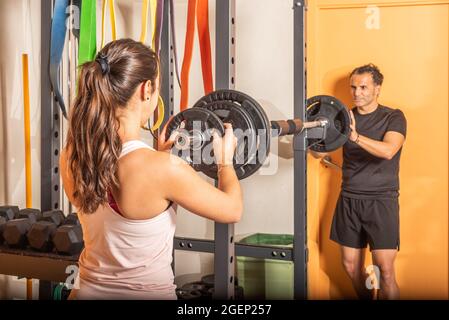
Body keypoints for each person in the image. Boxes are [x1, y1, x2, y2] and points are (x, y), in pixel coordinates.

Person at [59, 38, 242, 300]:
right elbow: (232, 209)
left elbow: (120, 186)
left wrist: (158, 157)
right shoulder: (162, 169)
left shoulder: (72, 155)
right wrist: (225, 161)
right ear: (147, 89)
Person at [317, 64, 406, 299]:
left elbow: (389, 150)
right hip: (349, 198)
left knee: (385, 271)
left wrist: (353, 136)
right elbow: (318, 152)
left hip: (381, 201)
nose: (357, 93)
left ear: (377, 88)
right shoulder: (343, 118)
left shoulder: (393, 116)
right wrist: (313, 136)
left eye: (364, 87)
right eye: (353, 87)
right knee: (350, 266)